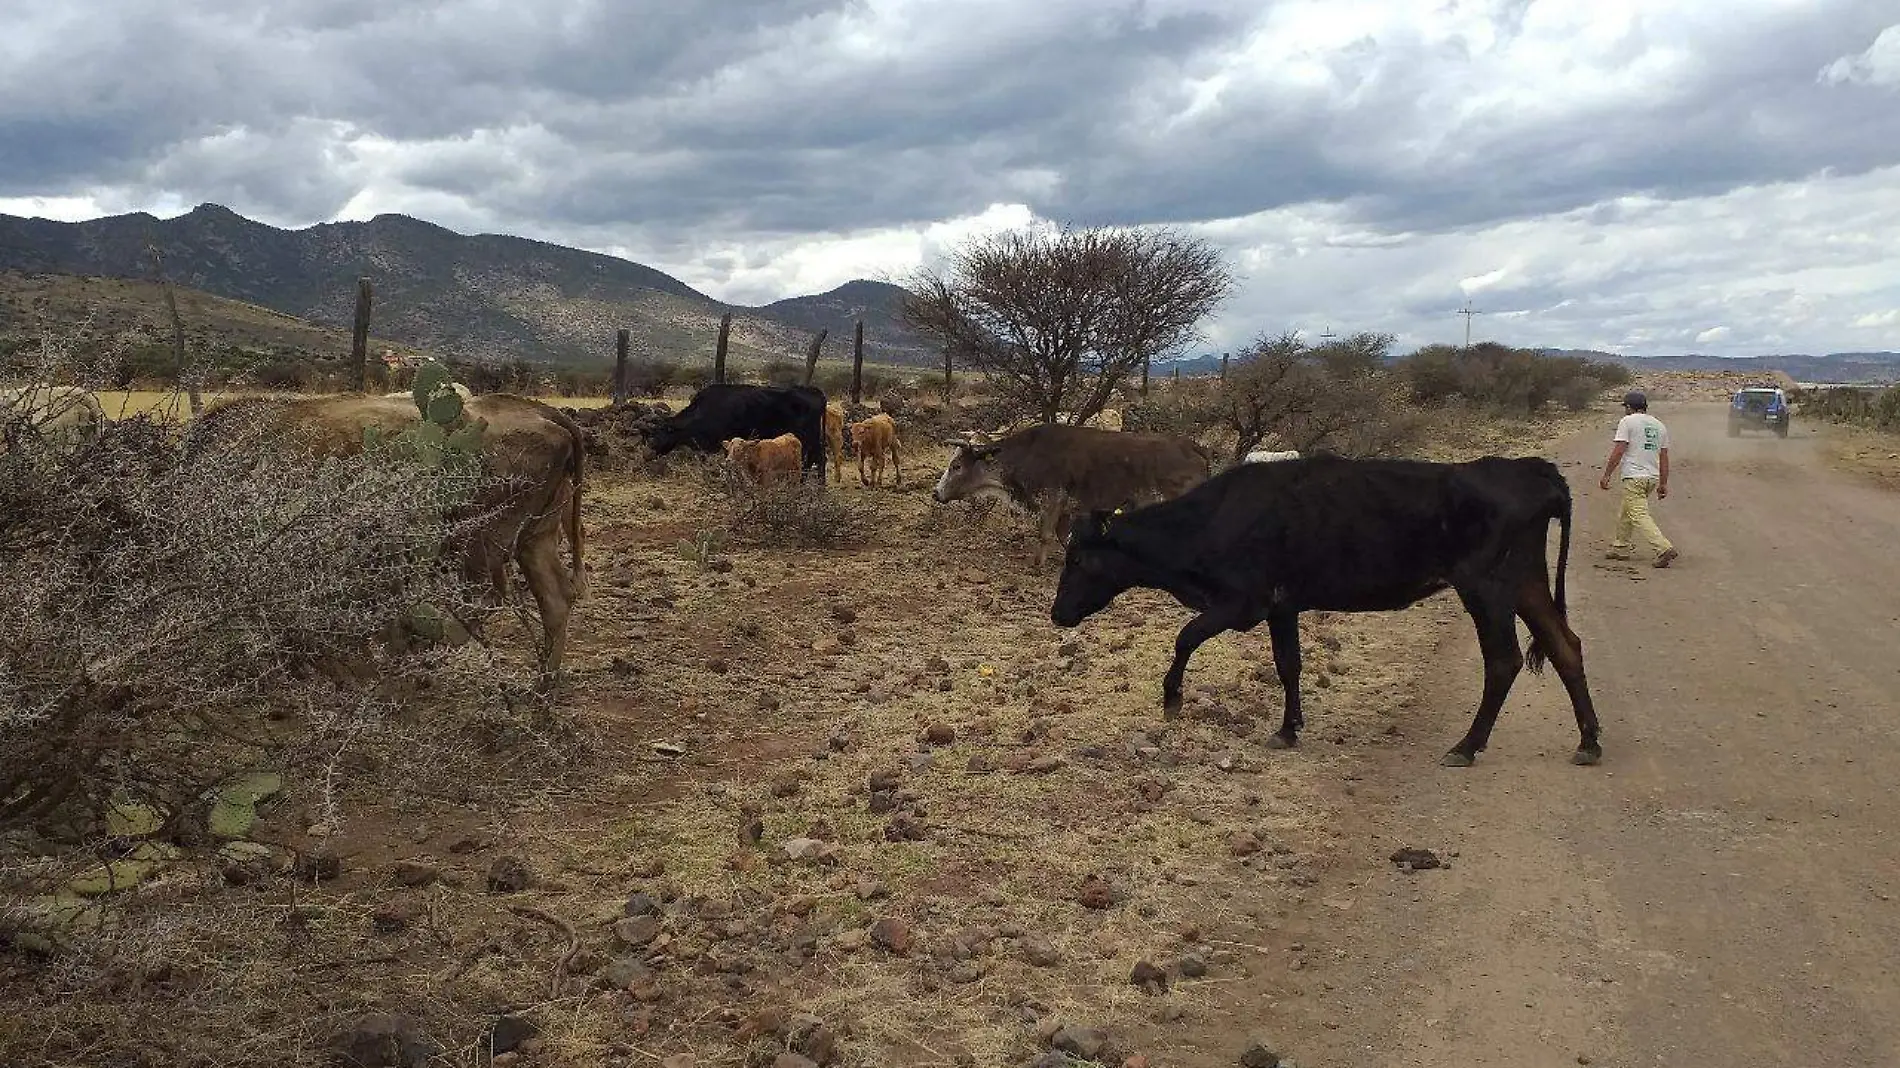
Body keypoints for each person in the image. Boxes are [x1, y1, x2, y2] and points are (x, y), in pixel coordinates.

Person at [1599, 390, 1678, 568]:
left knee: (1638, 514)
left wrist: (1607, 474)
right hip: (1651, 478)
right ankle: (1620, 547)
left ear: (1628, 407)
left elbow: (1619, 450)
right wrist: (1663, 483)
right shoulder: (1659, 425)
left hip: (1634, 476)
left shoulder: (1627, 421)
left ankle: (1663, 547)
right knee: (1627, 511)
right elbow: (1664, 457)